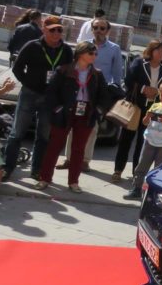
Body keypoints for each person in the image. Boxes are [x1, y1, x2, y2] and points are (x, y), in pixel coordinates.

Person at [3, 16, 72, 181]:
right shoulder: (32, 46)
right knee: (17, 133)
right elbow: (18, 68)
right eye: (52, 30)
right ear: (44, 30)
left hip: (51, 98)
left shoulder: (66, 50)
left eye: (59, 30)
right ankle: (7, 168)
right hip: (30, 94)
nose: (56, 33)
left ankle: (36, 170)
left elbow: (69, 74)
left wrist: (61, 94)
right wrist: (28, 83)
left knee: (43, 136)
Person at [37, 41, 109, 193]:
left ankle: (73, 182)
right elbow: (51, 92)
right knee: (54, 145)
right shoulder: (64, 70)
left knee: (78, 149)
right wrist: (57, 108)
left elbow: (104, 96)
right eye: (91, 53)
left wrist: (98, 110)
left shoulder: (97, 74)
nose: (94, 56)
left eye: (95, 53)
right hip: (66, 112)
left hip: (86, 113)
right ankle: (44, 178)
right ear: (80, 53)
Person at [57, 17, 123, 172]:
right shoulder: (84, 46)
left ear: (107, 31)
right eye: (96, 27)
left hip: (97, 93)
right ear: (91, 29)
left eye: (102, 28)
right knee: (73, 126)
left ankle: (85, 160)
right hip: (79, 90)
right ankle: (69, 159)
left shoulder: (114, 49)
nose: (98, 30)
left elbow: (117, 73)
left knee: (91, 128)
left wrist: (112, 93)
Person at [112, 40, 162, 182]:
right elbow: (128, 80)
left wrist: (157, 92)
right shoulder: (139, 63)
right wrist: (144, 89)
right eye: (158, 50)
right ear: (151, 51)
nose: (160, 54)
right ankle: (118, 170)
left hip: (153, 109)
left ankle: (136, 173)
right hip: (136, 106)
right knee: (126, 139)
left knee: (143, 142)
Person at [125, 81, 162, 200]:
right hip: (149, 140)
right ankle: (136, 188)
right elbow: (145, 123)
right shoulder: (155, 106)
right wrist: (147, 117)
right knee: (142, 165)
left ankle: (156, 192)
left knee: (160, 168)